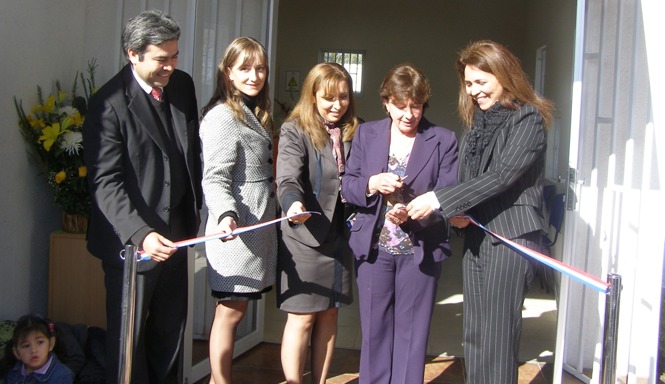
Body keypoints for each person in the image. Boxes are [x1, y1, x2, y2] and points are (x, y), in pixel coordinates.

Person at [406, 40, 555, 384]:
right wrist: (460, 212)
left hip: (509, 238)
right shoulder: (478, 123)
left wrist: (441, 200)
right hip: (476, 236)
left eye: (481, 82)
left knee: (498, 338)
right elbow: (473, 178)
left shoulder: (527, 118)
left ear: (503, 75)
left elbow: (502, 175)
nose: (473, 91)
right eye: (469, 84)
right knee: (475, 334)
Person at [83, 10, 202, 384]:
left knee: (169, 337)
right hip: (133, 245)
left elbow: (189, 156)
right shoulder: (107, 105)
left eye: (175, 56)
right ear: (132, 54)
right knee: (128, 346)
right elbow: (105, 182)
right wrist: (142, 233)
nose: (170, 66)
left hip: (178, 236)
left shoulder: (181, 85)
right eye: (161, 59)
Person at [341, 64, 458, 384]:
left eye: (416, 106)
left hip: (421, 248)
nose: (409, 114)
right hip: (374, 249)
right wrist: (372, 183)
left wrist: (418, 213)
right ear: (387, 102)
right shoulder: (367, 133)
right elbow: (349, 186)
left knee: (412, 335)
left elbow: (449, 193)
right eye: (401, 106)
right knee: (375, 331)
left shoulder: (443, 140)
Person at [199, 36, 277, 384]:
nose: (253, 75)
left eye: (259, 68)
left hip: (255, 229)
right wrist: (226, 215)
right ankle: (219, 381)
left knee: (237, 309)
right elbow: (214, 177)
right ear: (227, 72)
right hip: (236, 231)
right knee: (229, 312)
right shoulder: (222, 116)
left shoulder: (253, 112)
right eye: (244, 68)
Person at [276, 62, 359, 384]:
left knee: (329, 313)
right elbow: (287, 178)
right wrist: (292, 203)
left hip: (340, 237)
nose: (337, 105)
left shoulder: (357, 128)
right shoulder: (295, 128)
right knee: (302, 318)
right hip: (306, 236)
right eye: (328, 98)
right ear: (312, 96)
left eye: (343, 97)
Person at [0, 314, 74, 384]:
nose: (33, 350)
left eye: (40, 342)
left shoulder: (62, 376)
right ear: (16, 353)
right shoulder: (12, 372)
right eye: (26, 346)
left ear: (51, 344)